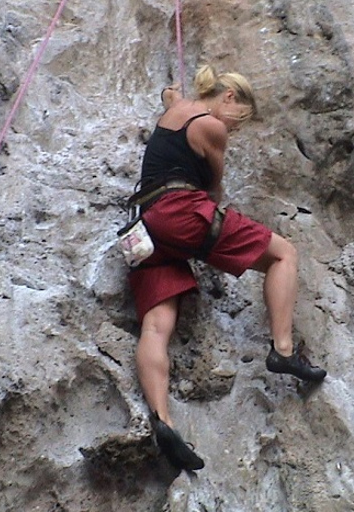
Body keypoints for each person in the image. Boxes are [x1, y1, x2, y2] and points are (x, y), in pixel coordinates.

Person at [126, 64, 327, 471]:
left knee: (156, 326)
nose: (234, 129)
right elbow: (213, 189)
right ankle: (283, 350)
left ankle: (162, 420)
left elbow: (174, 102)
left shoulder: (174, 111)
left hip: (145, 226)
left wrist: (172, 98)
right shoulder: (211, 128)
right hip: (182, 211)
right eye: (239, 119)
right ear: (229, 96)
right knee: (283, 254)